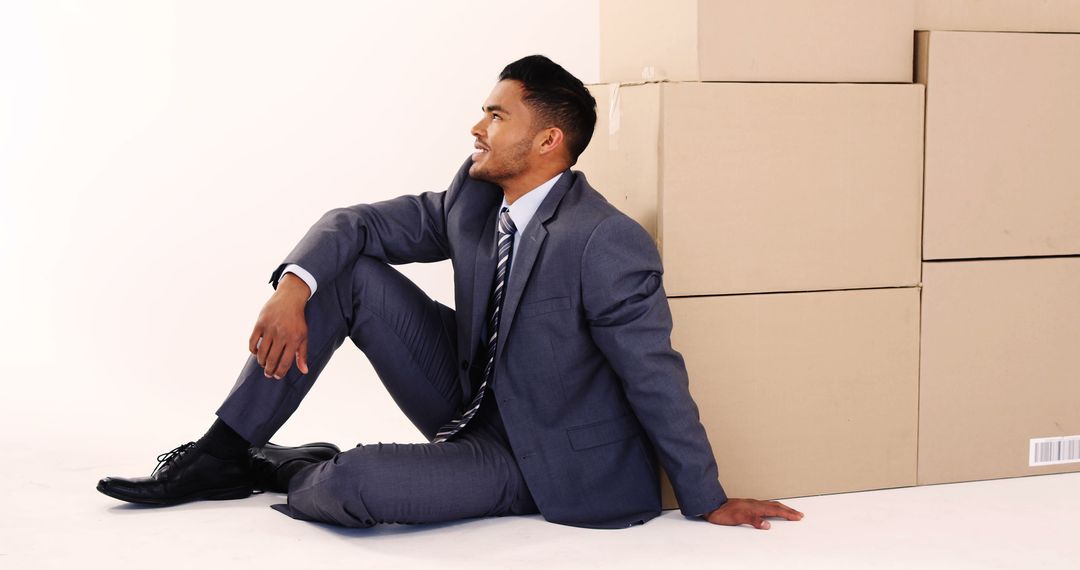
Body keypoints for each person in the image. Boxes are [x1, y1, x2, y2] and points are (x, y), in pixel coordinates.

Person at [97, 55, 804, 531]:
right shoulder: (473, 198)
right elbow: (359, 223)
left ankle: (296, 467)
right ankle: (220, 453)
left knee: (355, 486)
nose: (477, 127)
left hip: (539, 455)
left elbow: (656, 376)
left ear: (550, 139)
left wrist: (706, 499)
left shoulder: (604, 241)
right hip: (464, 394)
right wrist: (292, 285)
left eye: (497, 116)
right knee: (346, 270)